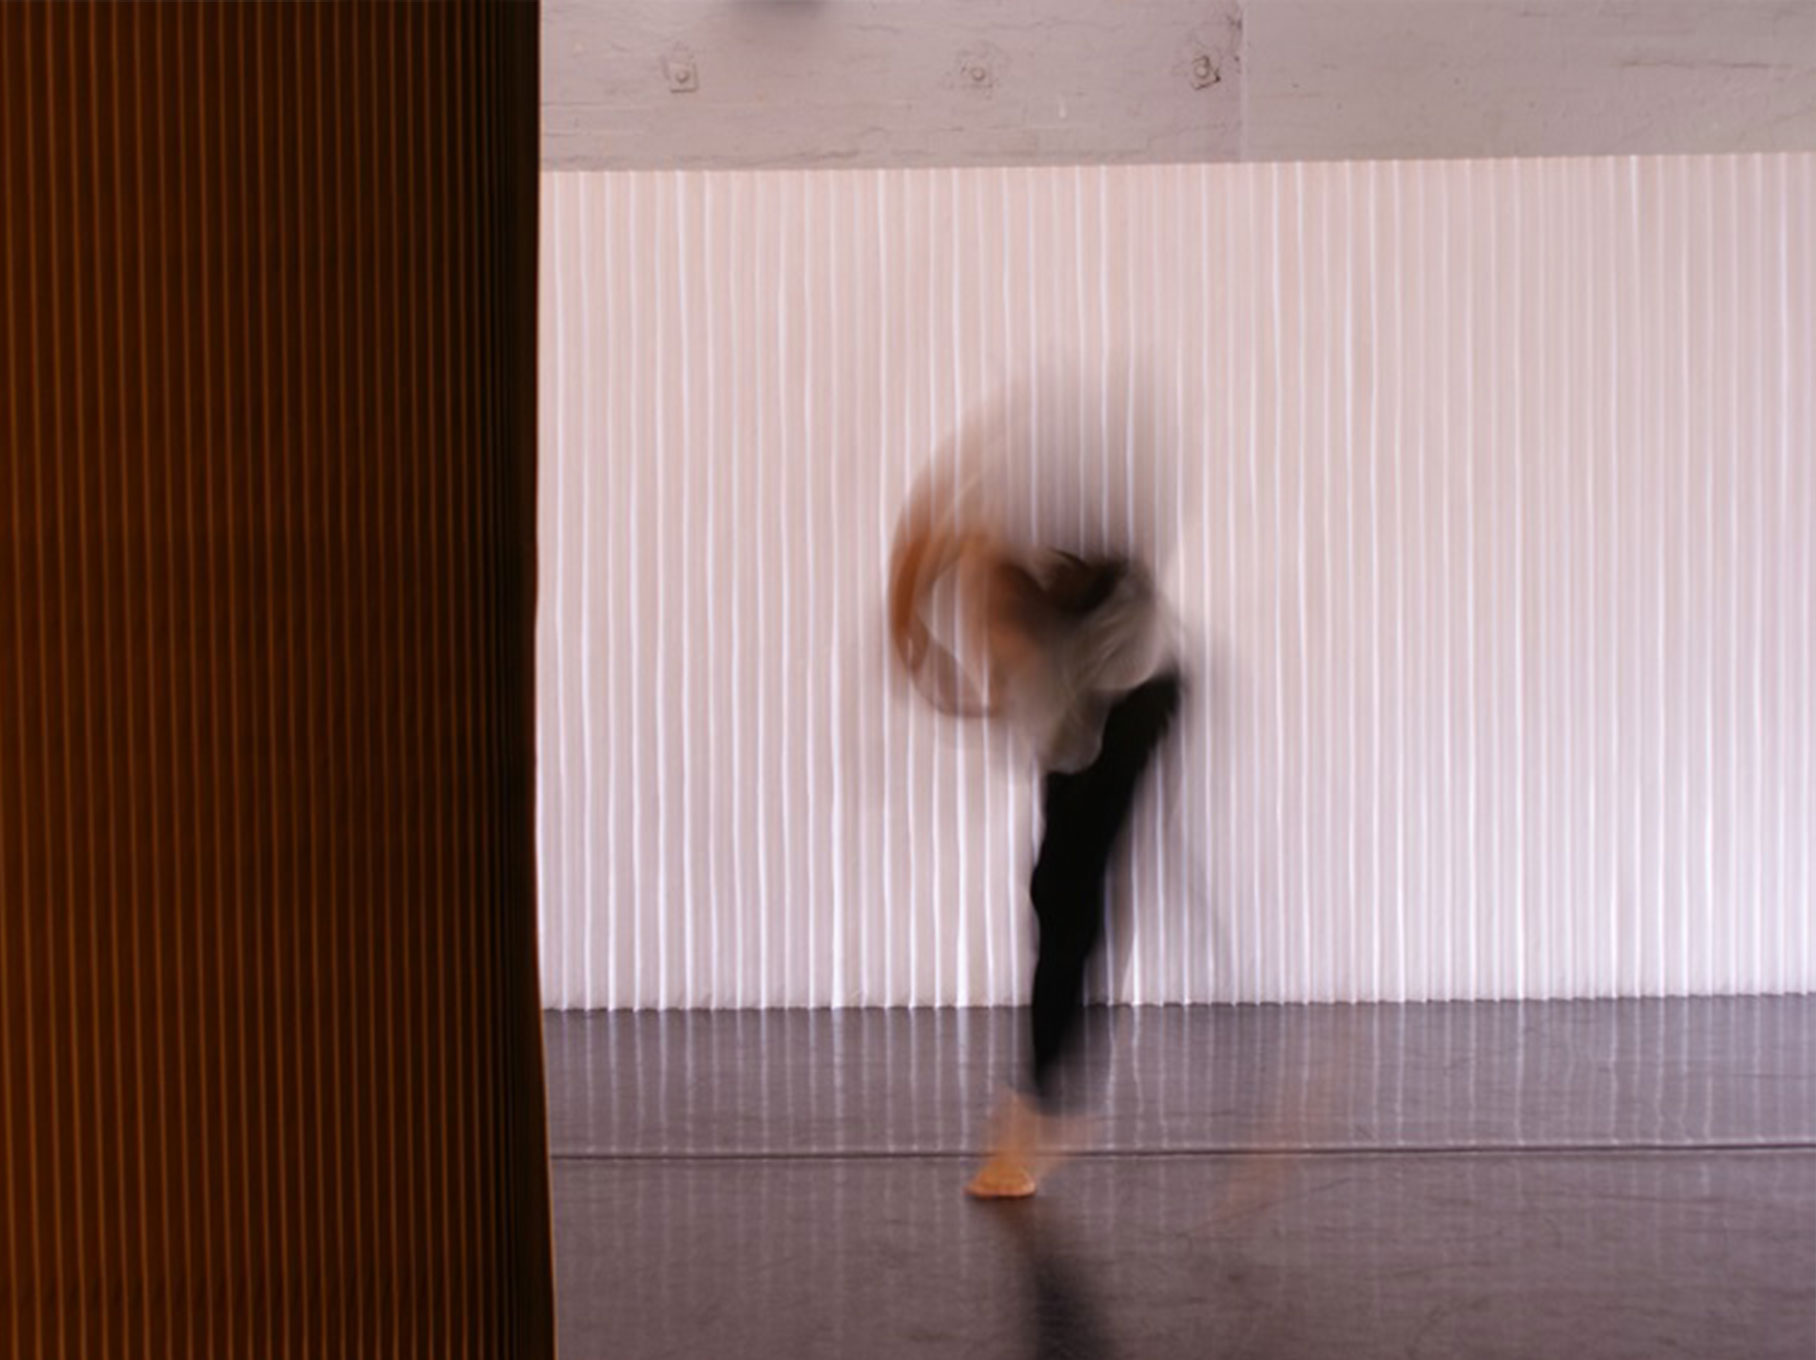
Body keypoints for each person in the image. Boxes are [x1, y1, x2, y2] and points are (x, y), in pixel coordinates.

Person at [888, 481, 1182, 1198]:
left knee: (1066, 897)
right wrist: (915, 638)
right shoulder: (996, 576)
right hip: (1113, 688)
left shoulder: (1029, 622)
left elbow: (1064, 734)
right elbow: (928, 538)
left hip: (1134, 696)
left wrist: (932, 658)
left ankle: (1045, 1115)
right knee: (1059, 895)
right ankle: (1043, 1108)